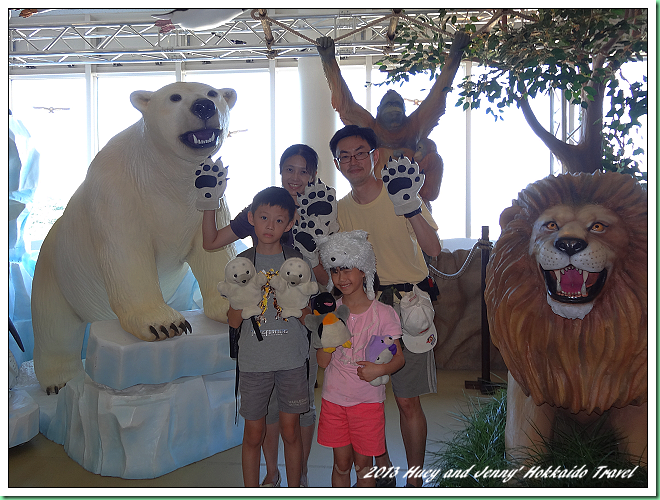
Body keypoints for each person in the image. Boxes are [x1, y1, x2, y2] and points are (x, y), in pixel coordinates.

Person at [200, 144, 325, 487]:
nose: (295, 177)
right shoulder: (261, 210)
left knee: (298, 413)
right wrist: (210, 200)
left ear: (313, 175)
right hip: (257, 352)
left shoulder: (322, 210)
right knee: (263, 418)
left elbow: (326, 281)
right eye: (289, 169)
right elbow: (211, 242)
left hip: (294, 343)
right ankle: (271, 473)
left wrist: (310, 312)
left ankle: (299, 477)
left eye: (303, 171)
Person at [328, 124, 442, 487]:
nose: (353, 160)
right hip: (367, 309)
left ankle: (416, 482)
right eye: (344, 155)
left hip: (406, 308)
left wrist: (409, 207)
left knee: (407, 399)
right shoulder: (340, 211)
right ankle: (382, 472)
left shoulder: (401, 193)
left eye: (360, 152)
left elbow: (434, 248)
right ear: (338, 163)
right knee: (368, 393)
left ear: (375, 156)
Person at [222, 186, 315, 487]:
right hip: (253, 363)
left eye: (278, 220)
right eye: (263, 217)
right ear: (251, 218)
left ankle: (295, 487)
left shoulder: (297, 262)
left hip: (291, 359)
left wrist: (291, 298)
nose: (270, 226)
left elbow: (309, 318)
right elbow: (232, 320)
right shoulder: (242, 263)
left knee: (290, 430)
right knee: (253, 432)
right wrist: (245, 302)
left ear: (290, 224)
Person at [315, 32, 471, 206]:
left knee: (434, 157)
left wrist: (456, 54)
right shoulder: (370, 127)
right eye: (389, 105)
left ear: (405, 112)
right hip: (377, 198)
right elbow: (345, 104)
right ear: (379, 111)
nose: (394, 109)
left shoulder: (415, 125)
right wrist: (328, 60)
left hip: (415, 199)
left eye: (397, 105)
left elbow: (438, 94)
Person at [314, 231, 405, 487]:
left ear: (364, 269)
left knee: (363, 466)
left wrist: (379, 369)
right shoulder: (330, 312)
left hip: (367, 403)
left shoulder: (384, 314)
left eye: (347, 269)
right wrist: (330, 341)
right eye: (334, 271)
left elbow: (399, 360)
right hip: (334, 400)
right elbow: (322, 362)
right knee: (341, 465)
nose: (341, 278)